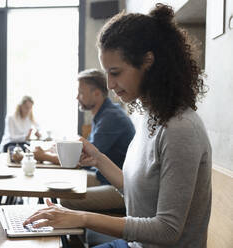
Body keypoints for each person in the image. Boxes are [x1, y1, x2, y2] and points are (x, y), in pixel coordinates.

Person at [24, 4, 211, 248]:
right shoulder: (151, 118)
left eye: (116, 72)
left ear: (148, 62)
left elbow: (167, 231)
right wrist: (98, 158)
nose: (110, 84)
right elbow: (134, 191)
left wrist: (81, 218)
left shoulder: (180, 128)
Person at [34, 68, 135, 211]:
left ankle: (69, 231)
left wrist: (44, 156)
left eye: (81, 93)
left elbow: (82, 159)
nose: (77, 97)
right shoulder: (104, 114)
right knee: (57, 181)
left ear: (97, 94)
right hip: (103, 177)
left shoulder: (111, 118)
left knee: (67, 197)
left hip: (118, 186)